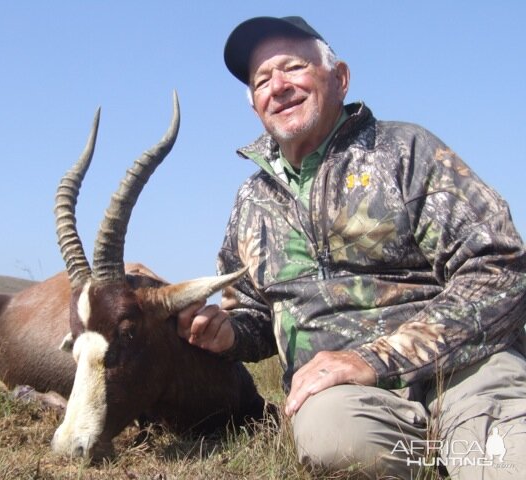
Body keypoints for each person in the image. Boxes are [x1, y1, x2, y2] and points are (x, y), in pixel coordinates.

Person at [177, 15, 526, 479]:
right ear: (256, 105)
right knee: (329, 437)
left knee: (506, 462)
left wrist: (373, 358)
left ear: (339, 78)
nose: (277, 86)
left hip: (463, 368)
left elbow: (500, 269)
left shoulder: (407, 151)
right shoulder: (250, 202)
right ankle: (436, 462)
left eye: (293, 68)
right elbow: (259, 316)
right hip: (349, 405)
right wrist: (229, 334)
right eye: (262, 80)